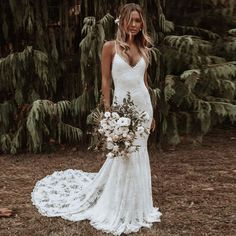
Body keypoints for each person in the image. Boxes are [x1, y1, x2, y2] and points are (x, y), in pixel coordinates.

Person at [31, 3, 162, 235]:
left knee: (139, 153)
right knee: (123, 156)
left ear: (142, 24)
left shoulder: (144, 49)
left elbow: (144, 82)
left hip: (143, 109)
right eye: (130, 20)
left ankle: (138, 206)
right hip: (121, 111)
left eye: (138, 21)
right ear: (121, 21)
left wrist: (151, 114)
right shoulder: (109, 47)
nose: (134, 25)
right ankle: (118, 205)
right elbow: (105, 82)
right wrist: (108, 111)